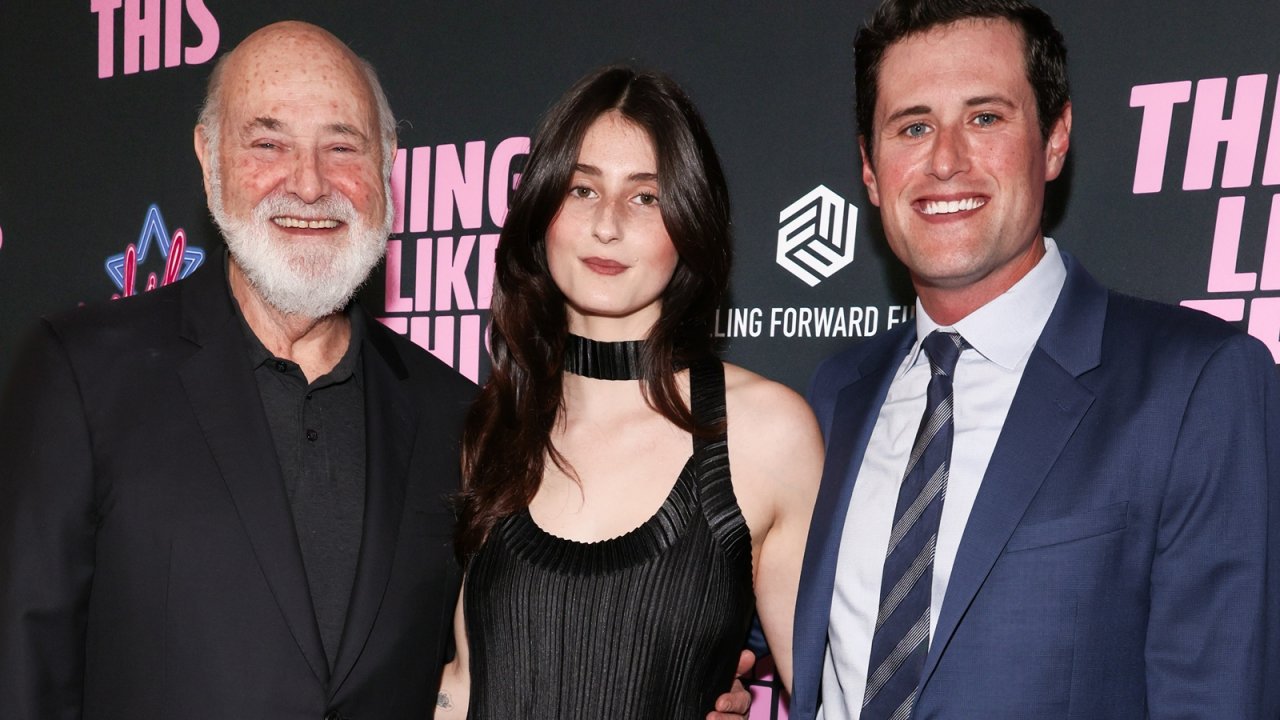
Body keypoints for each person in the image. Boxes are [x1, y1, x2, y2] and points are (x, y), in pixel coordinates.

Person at [792, 1, 1280, 719]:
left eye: (985, 118)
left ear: (1054, 141)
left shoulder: (1196, 385)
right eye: (914, 127)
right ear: (869, 168)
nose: (946, 160)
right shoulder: (836, 395)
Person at [0, 22, 476, 719]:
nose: (309, 184)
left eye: (342, 146)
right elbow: (23, 671)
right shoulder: (84, 375)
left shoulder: (455, 414)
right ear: (209, 158)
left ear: (386, 166)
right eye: (268, 144)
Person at [432, 66, 823, 719]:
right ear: (543, 208)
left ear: (690, 219)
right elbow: (463, 687)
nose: (607, 225)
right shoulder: (491, 426)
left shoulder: (764, 433)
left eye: (645, 197)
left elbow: (831, 699)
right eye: (582, 189)